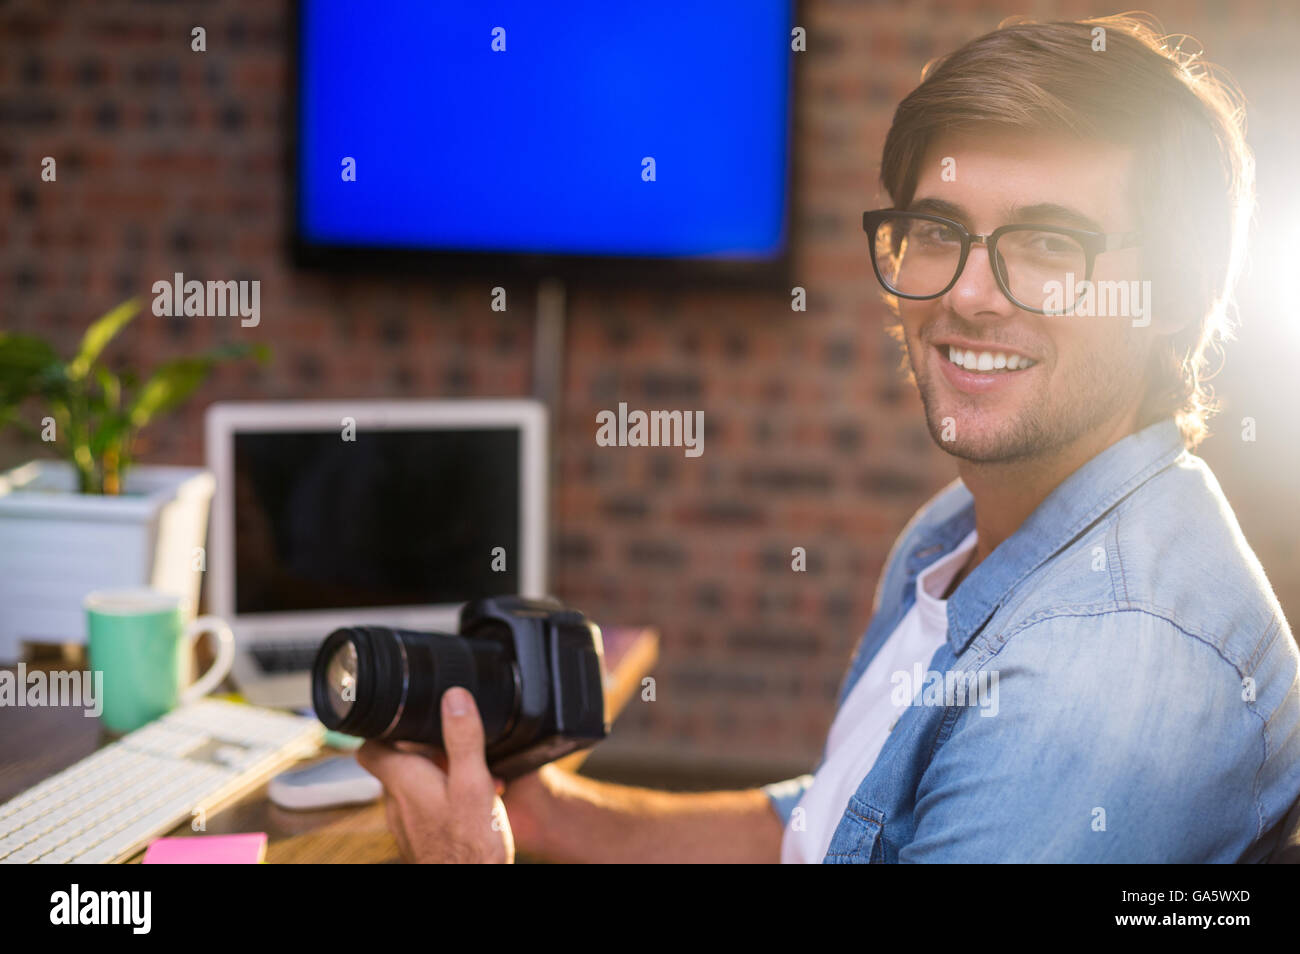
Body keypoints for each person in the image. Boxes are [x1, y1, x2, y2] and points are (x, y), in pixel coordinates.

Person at [357, 15, 1300, 863]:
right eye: (937, 230)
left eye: (1051, 244)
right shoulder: (964, 527)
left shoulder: (1096, 685)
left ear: (1176, 298)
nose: (968, 293)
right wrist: (552, 818)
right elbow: (837, 824)